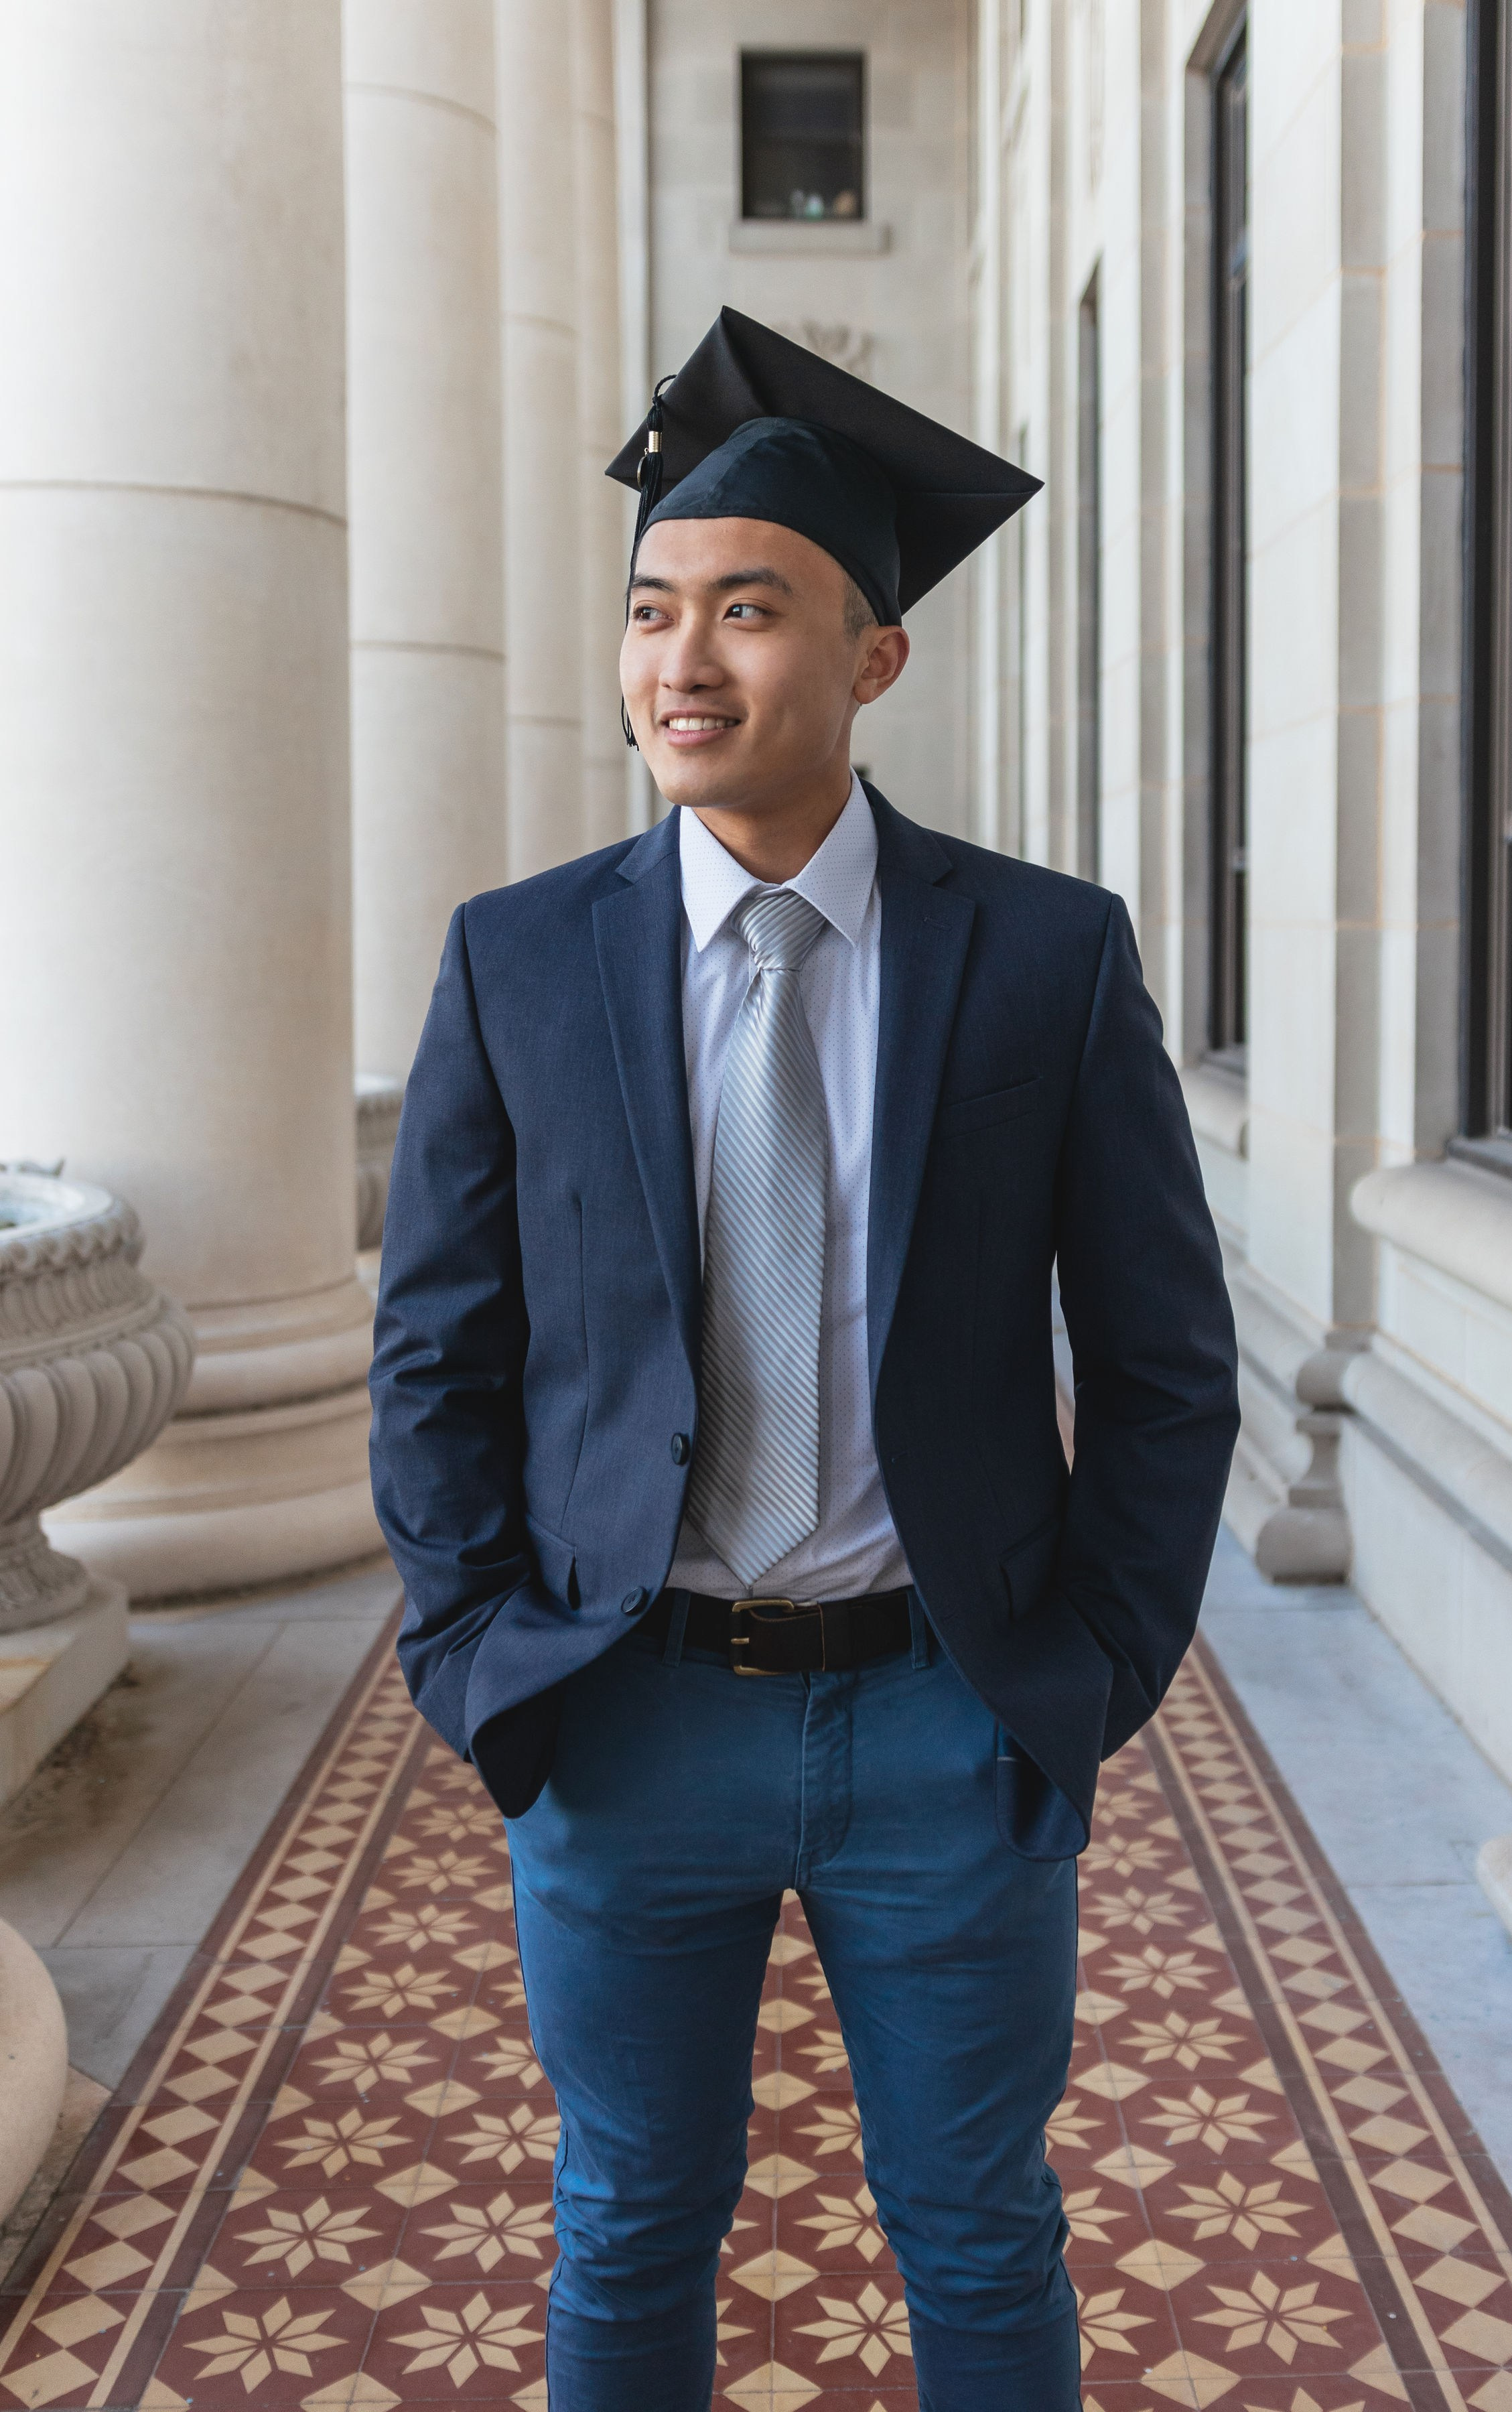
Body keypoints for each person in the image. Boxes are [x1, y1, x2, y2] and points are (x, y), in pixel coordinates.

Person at [370, 307, 1240, 2412]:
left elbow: (1161, 1353)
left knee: (974, 2226)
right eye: (653, 611)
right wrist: (479, 1645)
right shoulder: (519, 954)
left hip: (945, 1715)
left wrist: (1094, 1662)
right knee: (626, 2219)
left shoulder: (1040, 952)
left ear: (870, 661)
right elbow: (436, 1347)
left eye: (747, 612)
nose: (681, 663)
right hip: (622, 1708)